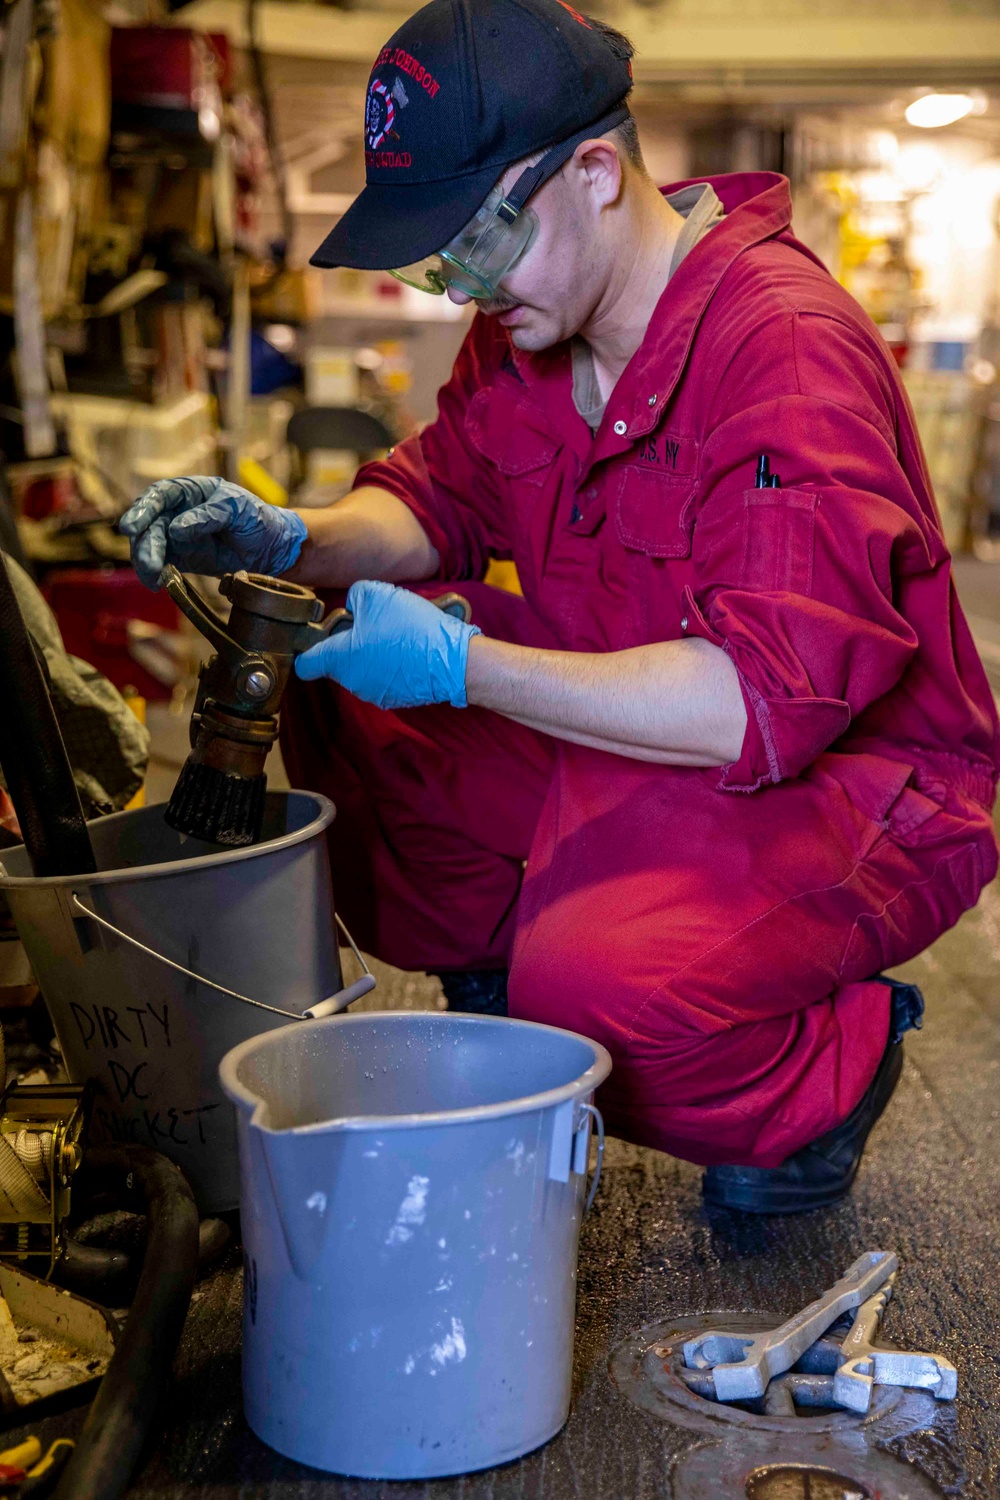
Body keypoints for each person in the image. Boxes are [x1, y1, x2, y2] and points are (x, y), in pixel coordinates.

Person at [120, 0, 1000, 1214]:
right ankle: (519, 983)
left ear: (593, 172)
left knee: (603, 991)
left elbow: (753, 707)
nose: (459, 293)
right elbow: (441, 504)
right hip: (644, 707)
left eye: (472, 248)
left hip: (854, 782)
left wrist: (467, 666)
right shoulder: (533, 324)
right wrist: (296, 536)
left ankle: (821, 1081)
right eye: (439, 267)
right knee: (354, 706)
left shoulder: (782, 356)